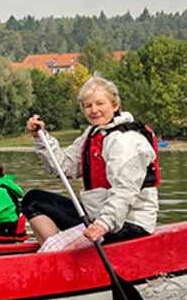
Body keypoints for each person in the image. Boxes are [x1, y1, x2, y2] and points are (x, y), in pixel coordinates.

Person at [21, 75, 159, 245]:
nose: (94, 110)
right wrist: (42, 139)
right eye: (88, 106)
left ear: (115, 105)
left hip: (128, 223)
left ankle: (56, 253)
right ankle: (57, 255)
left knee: (59, 237)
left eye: (100, 104)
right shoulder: (93, 134)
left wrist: (103, 224)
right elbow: (64, 167)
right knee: (33, 200)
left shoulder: (125, 140)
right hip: (95, 216)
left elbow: (126, 190)